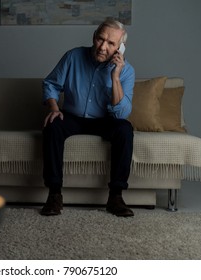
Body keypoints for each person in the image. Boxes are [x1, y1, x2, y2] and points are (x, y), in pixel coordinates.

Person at [41, 18, 135, 217]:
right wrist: (54, 107)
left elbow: (121, 113)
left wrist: (115, 76)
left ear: (121, 47)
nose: (103, 47)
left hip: (105, 120)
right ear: (94, 37)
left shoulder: (126, 71)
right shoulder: (73, 57)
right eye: (101, 39)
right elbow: (50, 83)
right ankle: (54, 194)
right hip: (73, 117)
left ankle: (116, 197)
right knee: (53, 125)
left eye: (111, 44)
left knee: (125, 128)